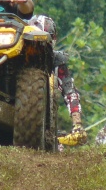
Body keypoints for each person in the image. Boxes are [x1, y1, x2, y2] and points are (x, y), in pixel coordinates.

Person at [29, 15, 87, 147]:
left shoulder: (56, 60)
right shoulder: (17, 56)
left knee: (57, 146)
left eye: (45, 41)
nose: (40, 45)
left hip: (44, 124)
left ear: (52, 40)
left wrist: (77, 124)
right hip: (18, 114)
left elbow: (70, 91)